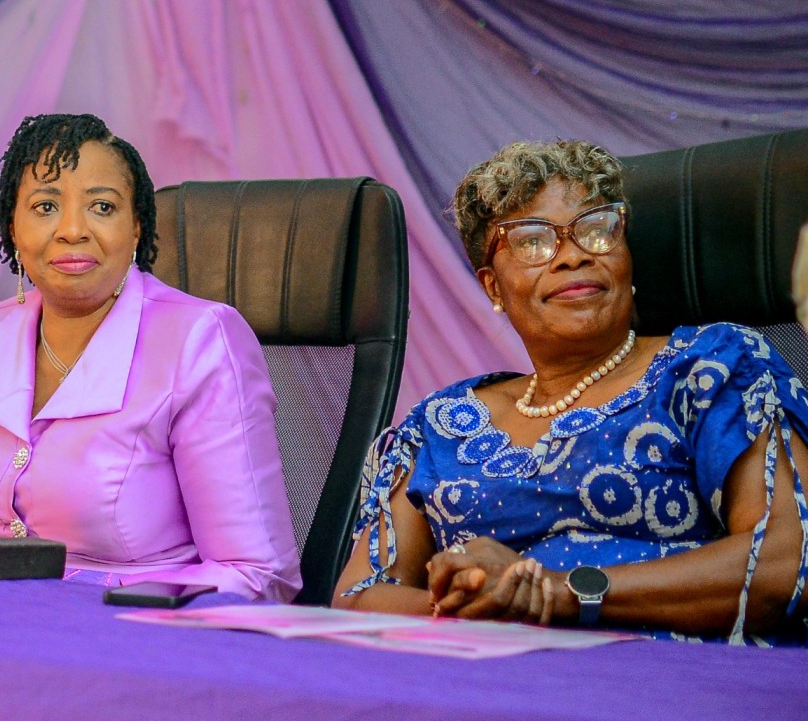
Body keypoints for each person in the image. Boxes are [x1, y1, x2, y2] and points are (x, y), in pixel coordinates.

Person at [333, 140, 808, 643]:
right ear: (493, 287)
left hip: (673, 675)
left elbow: (789, 558)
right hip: (485, 674)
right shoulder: (441, 424)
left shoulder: (710, 368)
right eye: (532, 242)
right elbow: (358, 597)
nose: (573, 256)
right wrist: (481, 606)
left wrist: (561, 594)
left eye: (596, 230)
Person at [0, 114, 301, 600]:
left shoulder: (200, 340)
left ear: (136, 227)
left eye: (102, 207)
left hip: (133, 630)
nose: (72, 230)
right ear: (13, 229)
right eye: (45, 206)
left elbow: (254, 572)